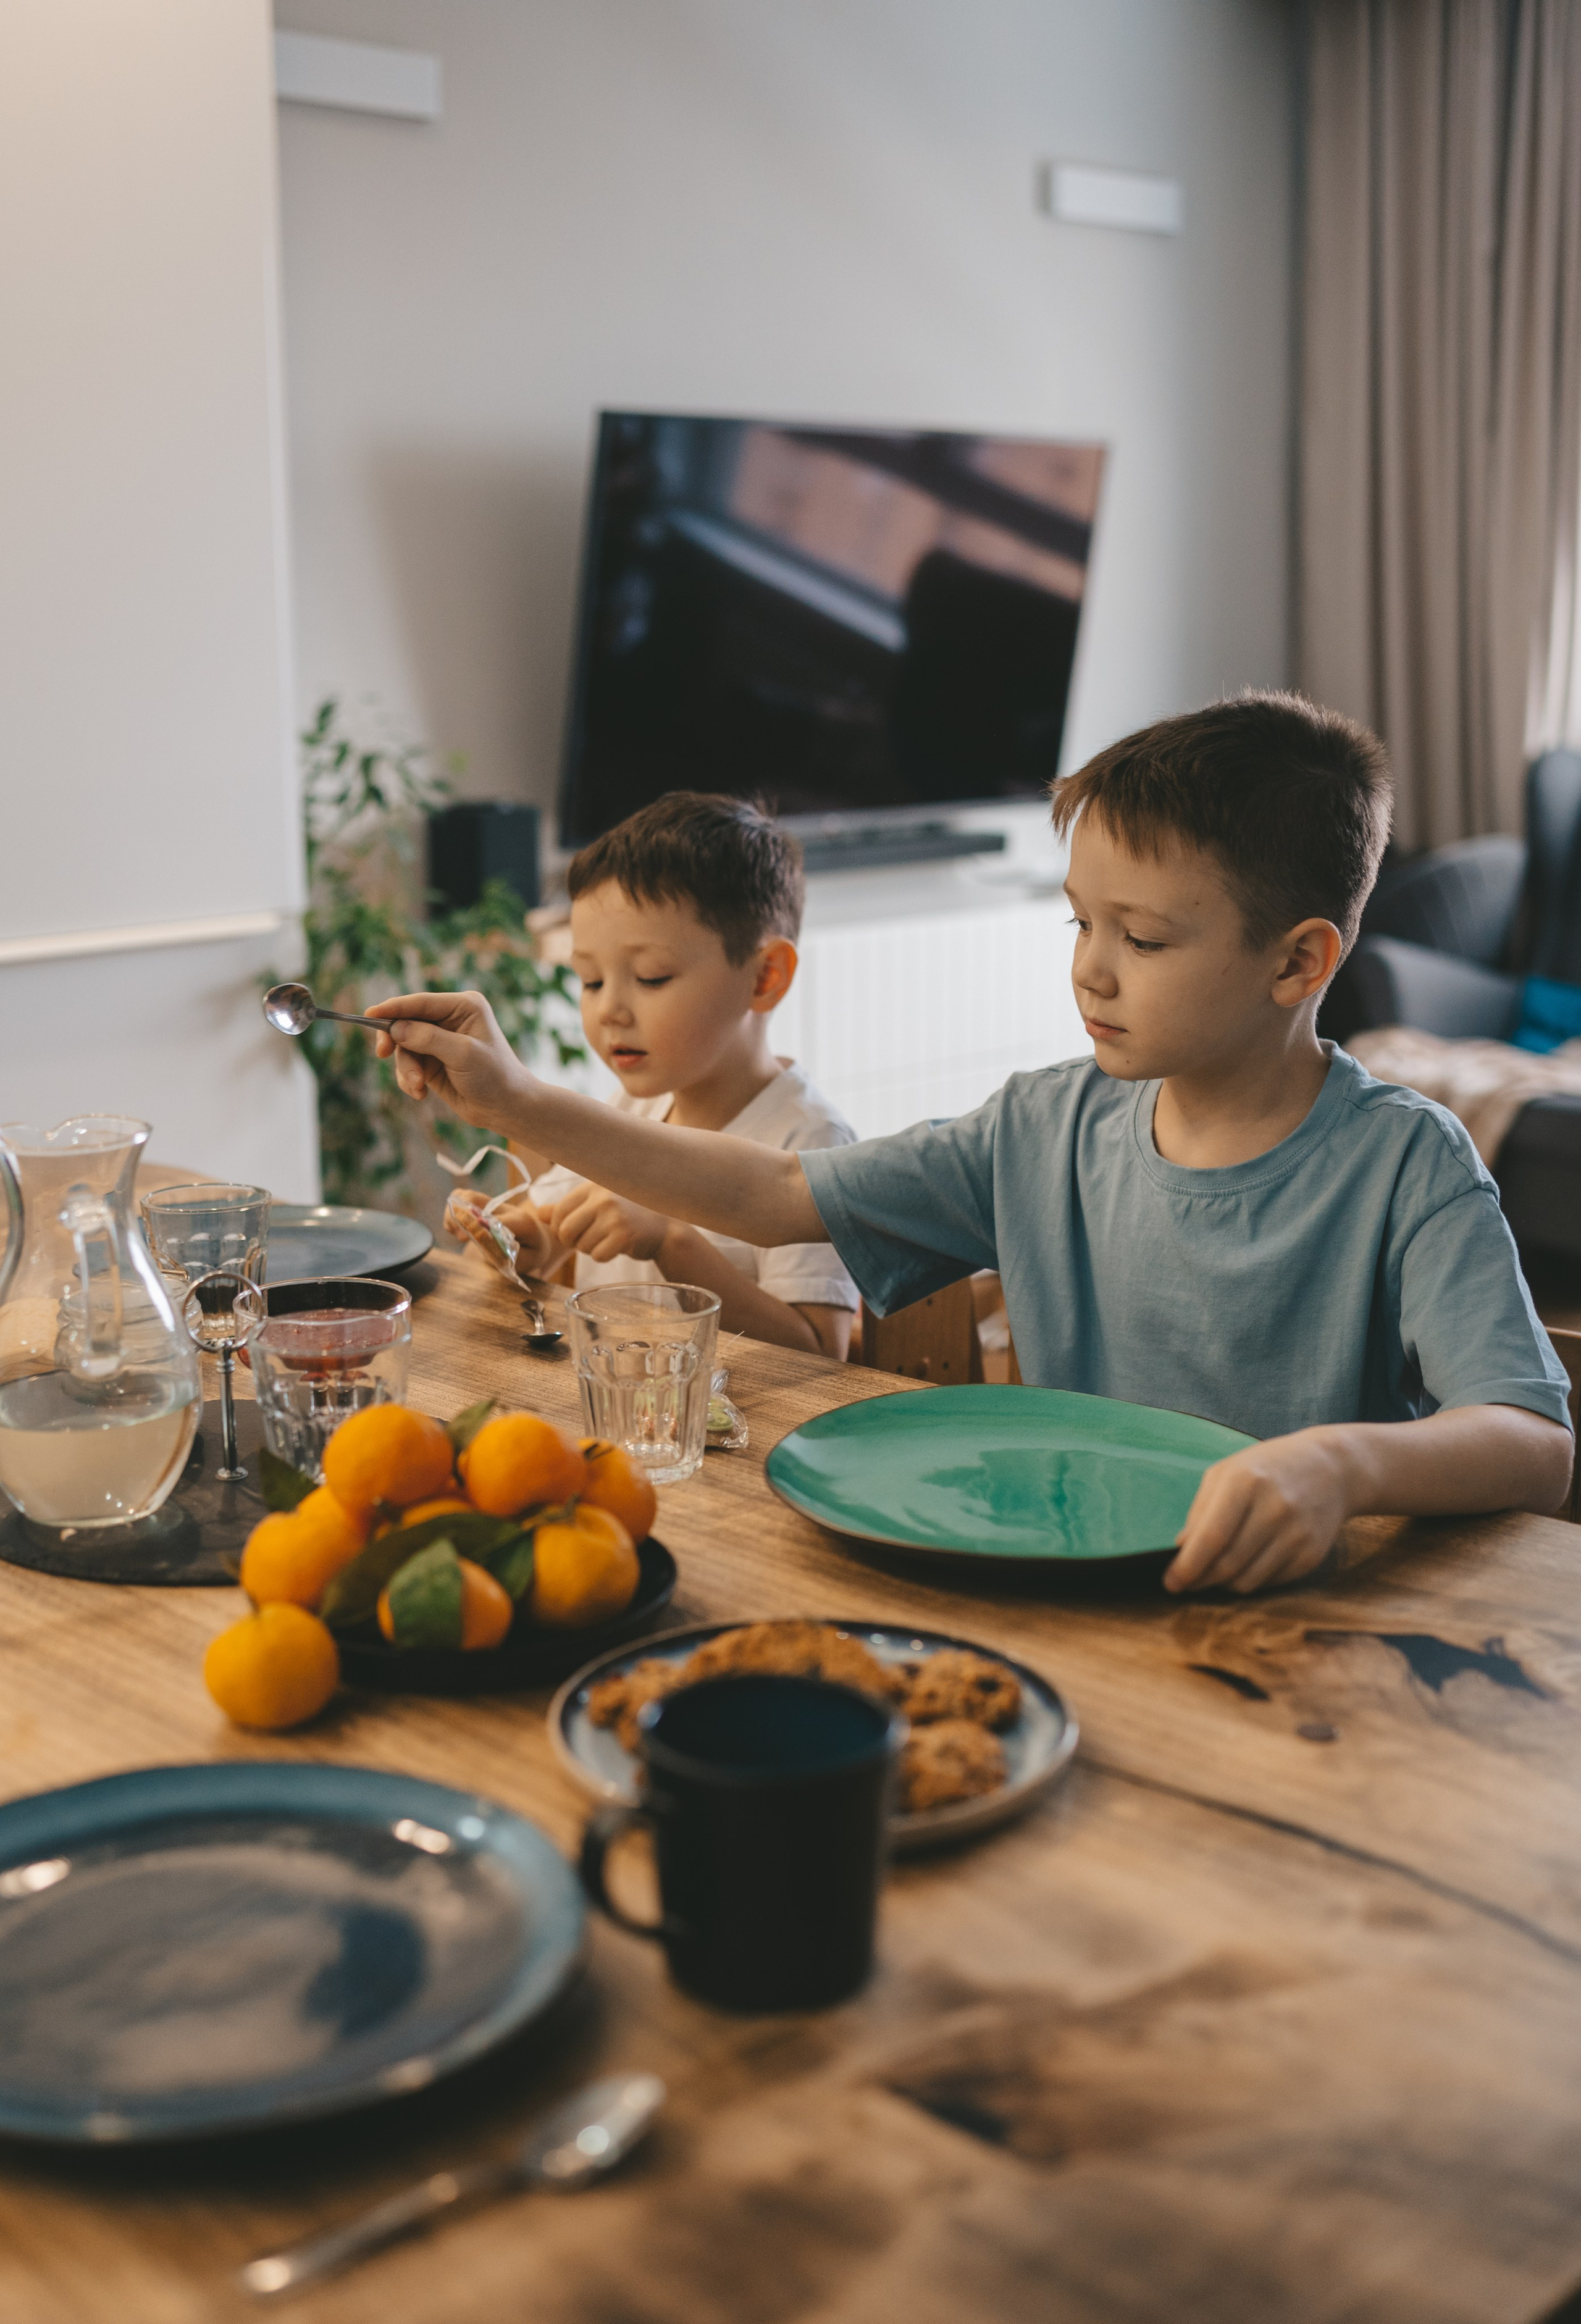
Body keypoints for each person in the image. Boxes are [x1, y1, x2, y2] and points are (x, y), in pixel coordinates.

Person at [370, 694, 1574, 1594]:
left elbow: (1528, 1442)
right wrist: (519, 1100)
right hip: (1058, 1587)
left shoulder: (1404, 1162)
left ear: (1296, 960)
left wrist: (1338, 1468)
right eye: (1079, 922)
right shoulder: (1039, 1125)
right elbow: (775, 1192)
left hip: (1290, 1614)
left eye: (1142, 938)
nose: (1088, 968)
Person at [445, 791, 860, 1360]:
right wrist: (516, 1239)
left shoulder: (811, 1142)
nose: (609, 1010)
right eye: (590, 982)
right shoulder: (631, 1110)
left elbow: (822, 1352)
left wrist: (670, 1241)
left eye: (651, 976)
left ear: (765, 976)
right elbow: (547, 1241)